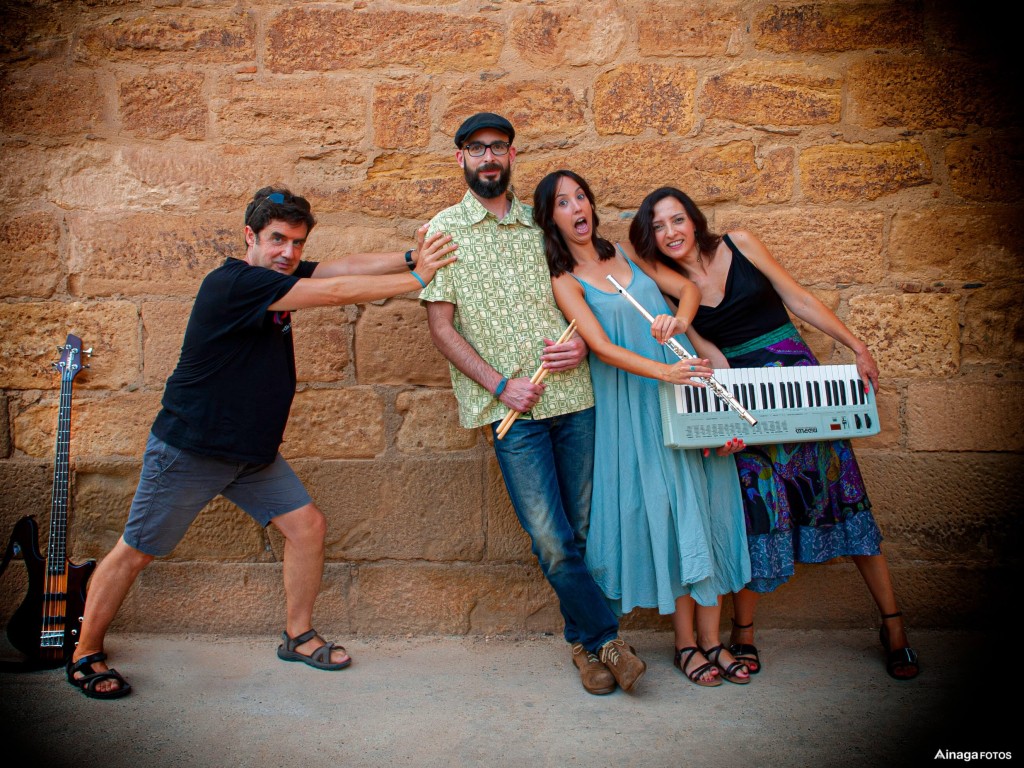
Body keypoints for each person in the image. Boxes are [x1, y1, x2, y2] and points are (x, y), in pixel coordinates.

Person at [66, 187, 458, 699]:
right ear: (249, 236)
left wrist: (409, 255)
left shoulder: (278, 273)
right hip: (192, 449)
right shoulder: (235, 283)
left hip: (251, 454)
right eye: (277, 239)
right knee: (136, 551)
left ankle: (297, 635)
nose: (288, 253)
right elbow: (334, 293)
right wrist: (418, 278)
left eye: (297, 242)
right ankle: (85, 653)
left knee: (307, 527)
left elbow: (341, 269)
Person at [629, 186, 920, 681]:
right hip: (745, 400)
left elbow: (797, 298)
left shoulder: (740, 244)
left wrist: (857, 346)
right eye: (657, 227)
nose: (670, 232)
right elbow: (711, 357)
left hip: (798, 383)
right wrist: (723, 422)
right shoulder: (672, 289)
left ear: (694, 220)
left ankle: (894, 627)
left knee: (845, 496)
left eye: (677, 219)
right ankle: (743, 632)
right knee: (756, 511)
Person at [420, 114, 646, 695]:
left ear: (512, 155)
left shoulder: (541, 225)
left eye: (497, 147)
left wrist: (583, 346)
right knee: (549, 535)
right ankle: (608, 640)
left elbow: (585, 294)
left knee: (583, 527)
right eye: (476, 149)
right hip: (511, 412)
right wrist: (500, 385)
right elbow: (442, 329)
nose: (488, 157)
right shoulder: (443, 231)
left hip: (573, 397)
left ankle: (583, 648)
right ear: (461, 158)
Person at [534, 170, 752, 687]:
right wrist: (662, 371)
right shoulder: (564, 279)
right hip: (635, 402)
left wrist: (679, 322)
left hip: (685, 385)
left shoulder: (627, 253)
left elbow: (687, 290)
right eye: (563, 202)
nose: (577, 207)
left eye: (581, 197)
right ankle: (685, 646)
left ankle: (713, 641)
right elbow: (602, 348)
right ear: (551, 218)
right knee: (670, 512)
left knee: (706, 503)